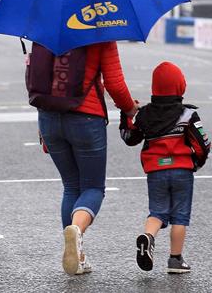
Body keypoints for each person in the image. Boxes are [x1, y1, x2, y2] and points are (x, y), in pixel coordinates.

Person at [29, 41, 138, 276]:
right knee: (93, 188)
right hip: (87, 118)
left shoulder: (46, 28)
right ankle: (76, 231)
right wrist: (130, 110)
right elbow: (115, 84)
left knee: (70, 186)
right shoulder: (102, 31)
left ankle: (77, 254)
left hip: (48, 117)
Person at [119, 61, 210, 274]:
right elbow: (203, 144)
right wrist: (196, 162)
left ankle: (148, 237)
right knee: (180, 215)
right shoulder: (188, 115)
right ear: (180, 86)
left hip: (155, 171)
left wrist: (126, 115)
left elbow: (129, 138)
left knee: (158, 211)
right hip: (182, 171)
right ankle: (175, 260)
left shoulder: (143, 115)